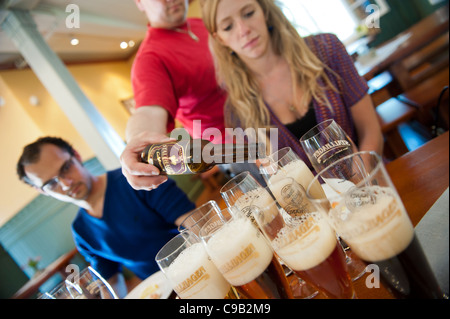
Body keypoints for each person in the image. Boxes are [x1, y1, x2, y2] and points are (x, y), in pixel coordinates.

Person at [200, 0, 384, 168]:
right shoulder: (237, 112)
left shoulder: (326, 48)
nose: (243, 30)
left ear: (264, 11)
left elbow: (370, 129)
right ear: (220, 39)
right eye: (228, 26)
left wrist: (362, 175)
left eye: (248, 13)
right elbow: (279, 178)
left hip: (373, 182)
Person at [16, 137, 195, 297]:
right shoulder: (81, 231)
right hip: (164, 292)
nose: (65, 184)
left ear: (76, 156)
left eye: (66, 168)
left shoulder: (136, 179)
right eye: (51, 184)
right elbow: (111, 282)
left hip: (197, 266)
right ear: (42, 191)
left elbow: (194, 222)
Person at [121, 0, 228, 191]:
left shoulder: (199, 24)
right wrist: (137, 140)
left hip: (269, 115)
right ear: (139, 2)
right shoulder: (150, 59)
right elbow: (148, 112)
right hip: (236, 146)